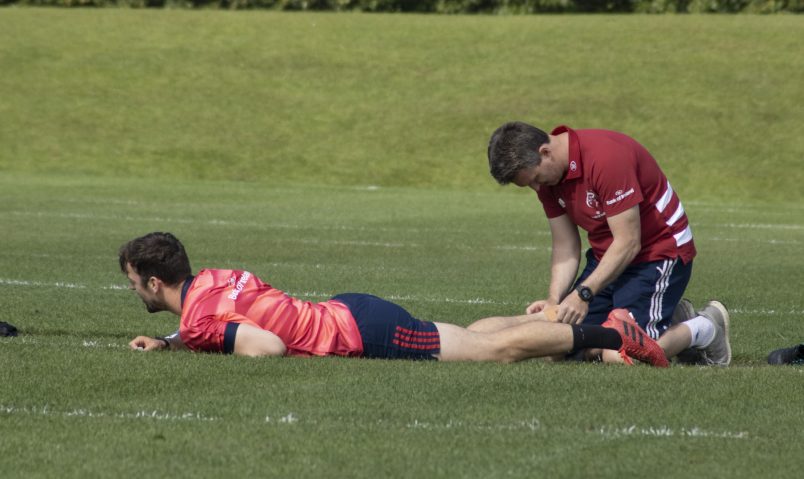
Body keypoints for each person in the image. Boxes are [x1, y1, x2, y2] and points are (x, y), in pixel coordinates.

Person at [120, 232, 669, 367]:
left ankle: (613, 335)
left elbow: (264, 346)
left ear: (152, 282)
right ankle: (556, 320)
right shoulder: (214, 279)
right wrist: (173, 340)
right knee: (475, 338)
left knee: (491, 354)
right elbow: (223, 318)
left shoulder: (198, 324)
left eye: (131, 280)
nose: (131, 290)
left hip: (362, 332)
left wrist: (193, 342)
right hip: (349, 309)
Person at [487, 121, 730, 366]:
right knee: (562, 344)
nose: (536, 188)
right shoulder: (549, 178)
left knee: (623, 355)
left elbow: (629, 242)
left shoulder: (606, 158)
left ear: (545, 152)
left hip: (657, 254)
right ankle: (668, 319)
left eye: (536, 179)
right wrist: (554, 299)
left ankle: (706, 327)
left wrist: (583, 294)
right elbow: (565, 245)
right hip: (608, 257)